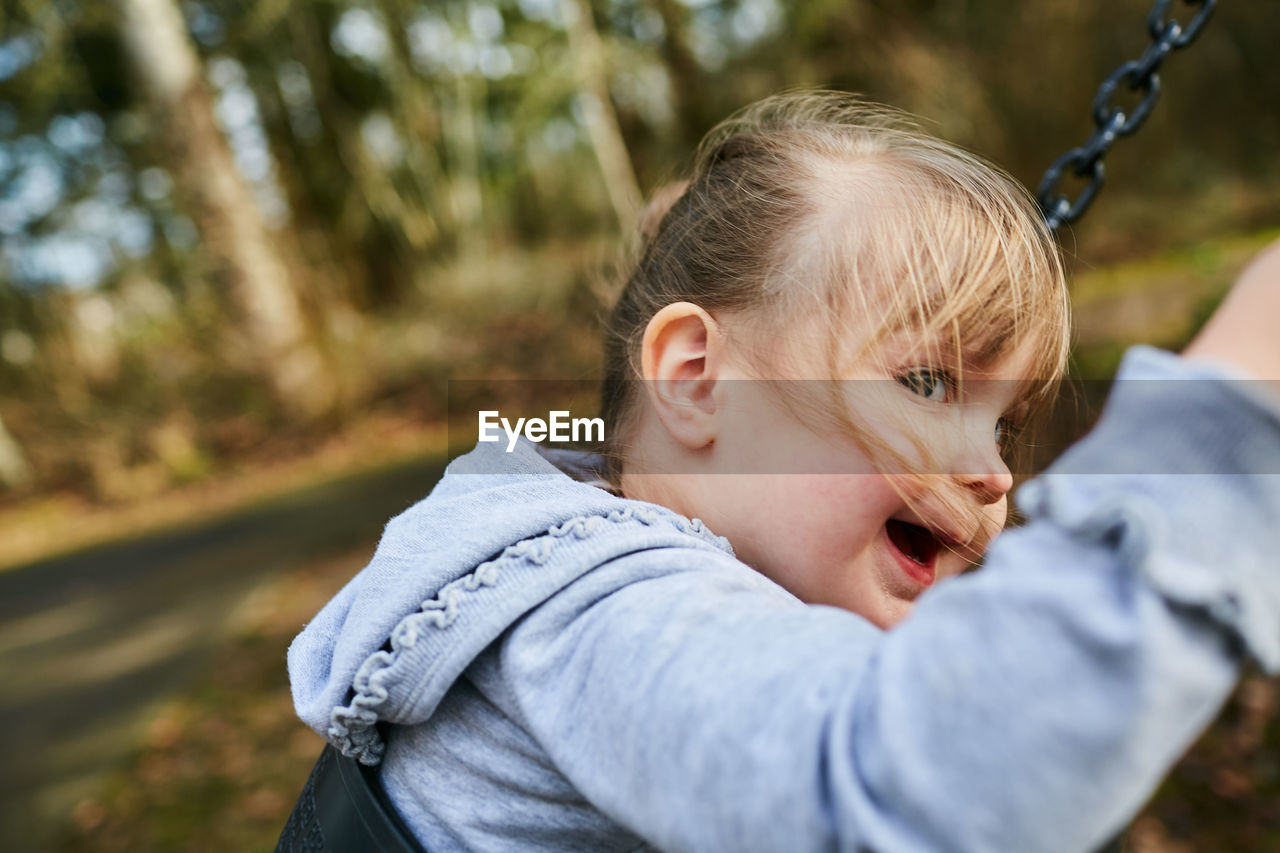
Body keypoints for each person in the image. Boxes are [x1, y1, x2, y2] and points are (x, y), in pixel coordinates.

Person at [286, 91, 1280, 852]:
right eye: (926, 379)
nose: (990, 472)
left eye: (1006, 420)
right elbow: (922, 783)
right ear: (696, 380)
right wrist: (1222, 414)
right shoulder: (595, 617)